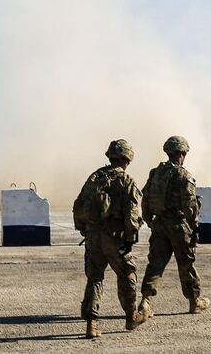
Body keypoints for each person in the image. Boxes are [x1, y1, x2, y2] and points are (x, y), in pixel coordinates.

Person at [73, 139, 147, 339]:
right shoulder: (126, 181)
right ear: (127, 158)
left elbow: (80, 205)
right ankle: (131, 316)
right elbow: (133, 216)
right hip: (114, 239)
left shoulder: (95, 177)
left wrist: (85, 230)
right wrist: (130, 237)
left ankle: (92, 324)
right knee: (127, 275)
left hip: (92, 236)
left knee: (95, 277)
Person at [138, 135, 209, 319]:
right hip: (178, 226)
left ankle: (146, 302)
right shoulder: (184, 175)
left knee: (155, 265)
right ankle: (194, 302)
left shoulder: (155, 173)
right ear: (181, 153)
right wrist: (194, 227)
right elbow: (190, 206)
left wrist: (150, 220)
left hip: (159, 224)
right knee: (186, 264)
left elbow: (145, 199)